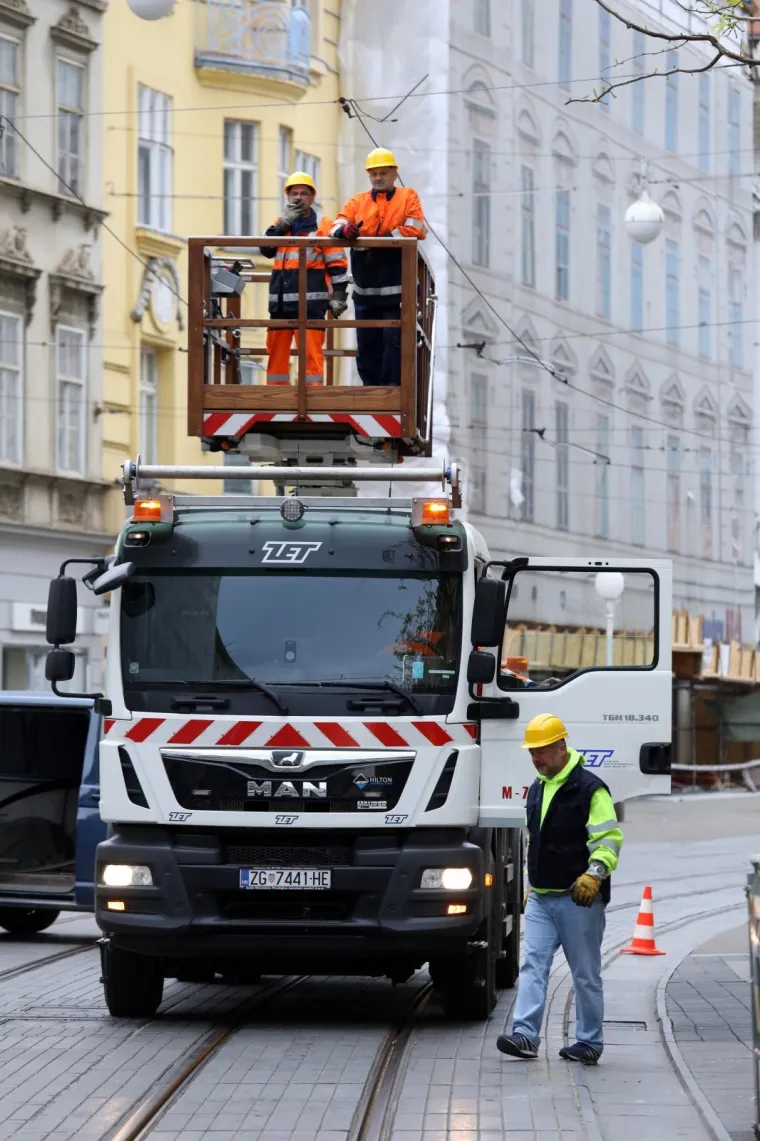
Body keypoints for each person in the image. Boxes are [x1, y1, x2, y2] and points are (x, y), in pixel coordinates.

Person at [497, 713, 623, 1066]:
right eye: (532, 752)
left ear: (561, 747)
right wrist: (529, 884)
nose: (535, 758)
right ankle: (525, 1035)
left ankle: (590, 1042)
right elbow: (534, 841)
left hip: (577, 898)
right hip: (541, 897)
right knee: (532, 965)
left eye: (541, 751)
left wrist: (595, 874)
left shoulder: (591, 789)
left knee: (584, 974)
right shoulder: (538, 787)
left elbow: (608, 839)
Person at [331, 148, 427, 386]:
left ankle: (391, 392)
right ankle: (370, 392)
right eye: (374, 173)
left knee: (393, 344)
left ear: (395, 173)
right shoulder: (358, 201)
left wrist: (382, 240)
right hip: (365, 290)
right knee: (367, 345)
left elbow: (416, 229)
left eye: (383, 173)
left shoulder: (407, 197)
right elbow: (336, 225)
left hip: (397, 293)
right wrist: (345, 230)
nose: (378, 178)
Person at [261, 172, 349, 387]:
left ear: (312, 197)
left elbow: (337, 264)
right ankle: (276, 397)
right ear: (288, 197)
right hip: (280, 305)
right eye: (294, 193)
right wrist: (282, 226)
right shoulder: (279, 224)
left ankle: (313, 397)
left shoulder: (323, 225)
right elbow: (265, 250)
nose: (298, 197)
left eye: (304, 193)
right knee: (276, 356)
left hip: (311, 306)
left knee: (311, 356)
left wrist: (339, 295)